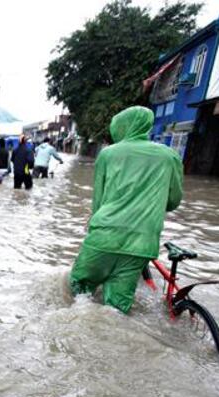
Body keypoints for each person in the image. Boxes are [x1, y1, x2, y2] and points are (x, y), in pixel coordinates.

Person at [70, 106, 183, 313]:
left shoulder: (108, 154)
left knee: (79, 288)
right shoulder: (169, 156)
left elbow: (99, 201)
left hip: (105, 236)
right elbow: (174, 201)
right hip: (142, 243)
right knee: (117, 308)